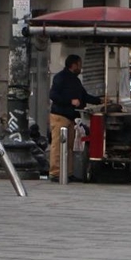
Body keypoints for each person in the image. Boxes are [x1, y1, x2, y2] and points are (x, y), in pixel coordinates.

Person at [48, 54, 102, 182]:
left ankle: (68, 172)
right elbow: (53, 95)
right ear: (73, 65)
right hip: (60, 116)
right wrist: (70, 101)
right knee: (57, 145)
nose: (81, 67)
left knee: (70, 146)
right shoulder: (60, 77)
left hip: (71, 117)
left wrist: (100, 101)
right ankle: (55, 172)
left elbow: (84, 96)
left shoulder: (76, 80)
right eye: (80, 64)